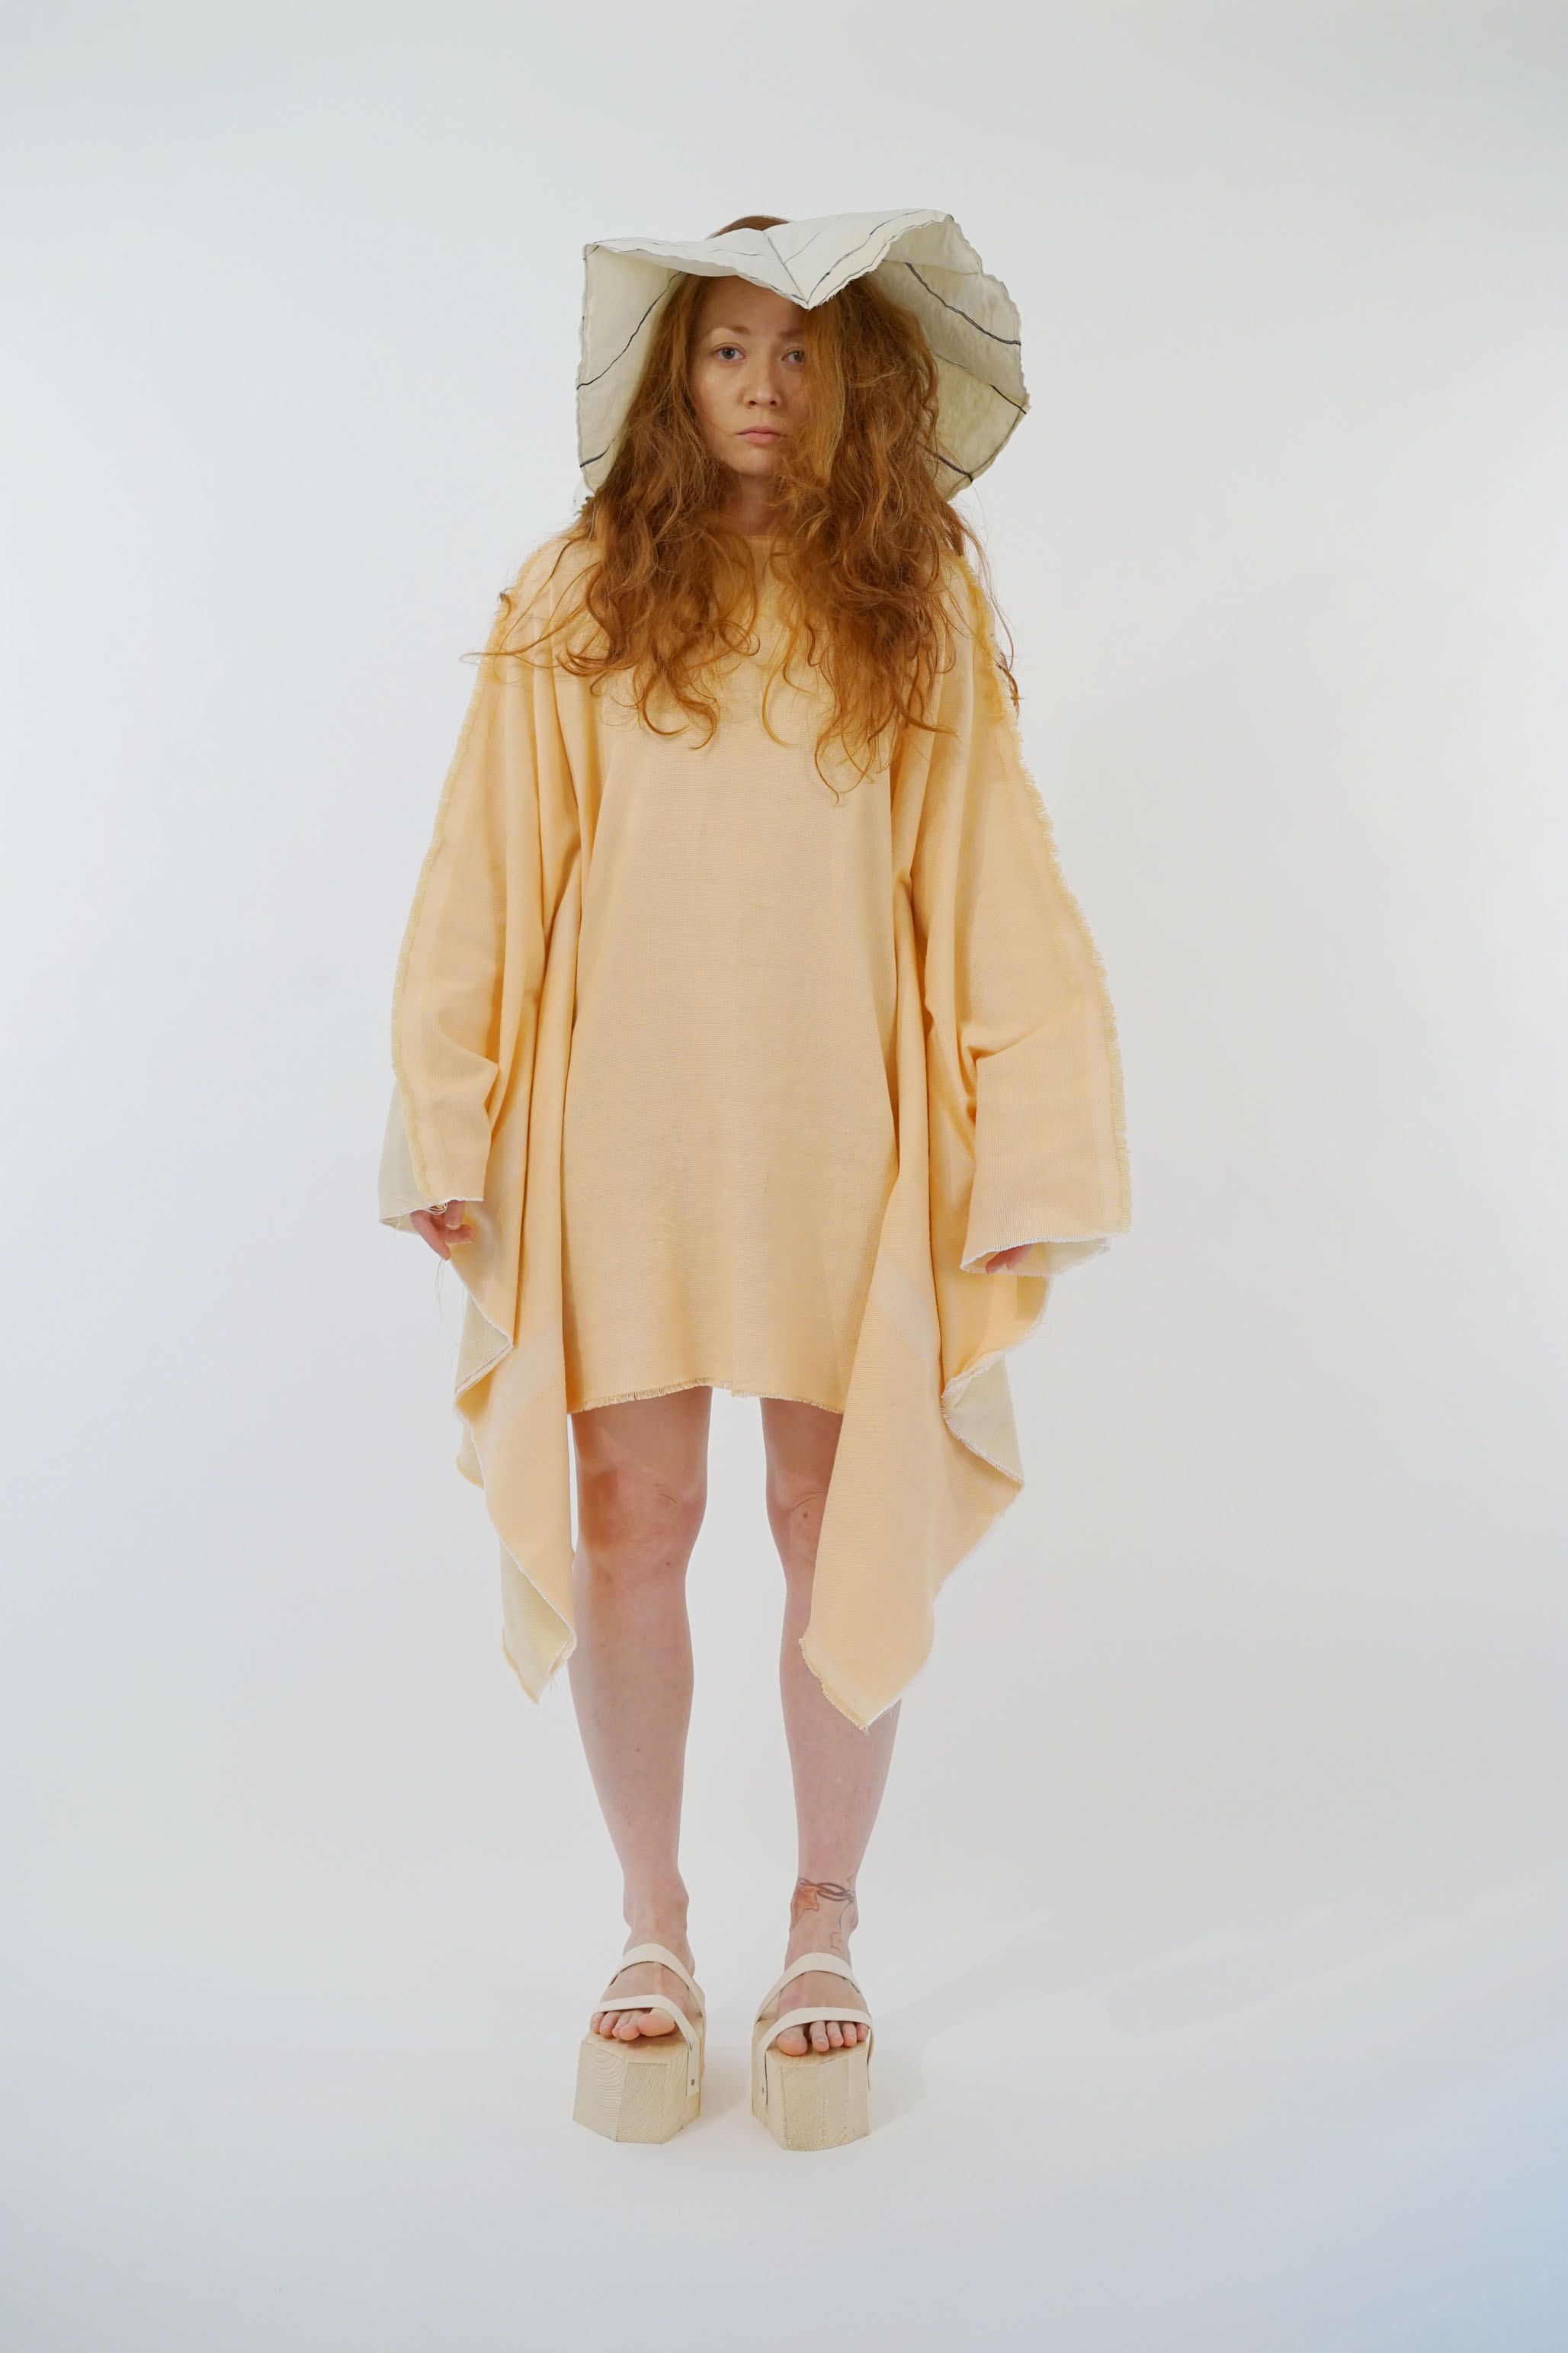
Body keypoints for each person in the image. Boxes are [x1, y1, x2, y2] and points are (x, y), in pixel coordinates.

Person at [380, 212, 1129, 2147]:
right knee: (630, 1510)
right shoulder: (579, 587)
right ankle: (651, 1924)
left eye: (801, 351)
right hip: (616, 1123)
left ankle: (823, 1926)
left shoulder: (912, 594)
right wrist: (449, 1116)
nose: (765, 387)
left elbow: (991, 870)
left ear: (854, 379)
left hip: (837, 1131)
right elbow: (486, 863)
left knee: (827, 1509)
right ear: (674, 376)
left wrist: (1031, 1140)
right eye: (728, 349)